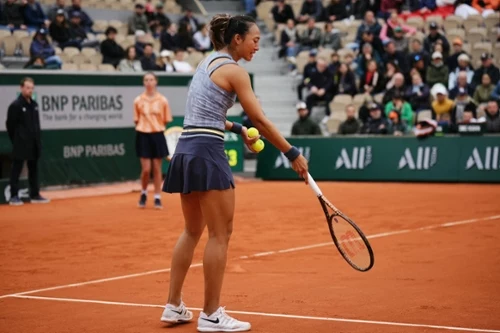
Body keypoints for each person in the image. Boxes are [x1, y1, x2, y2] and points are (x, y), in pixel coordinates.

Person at [160, 14, 308, 332]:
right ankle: (211, 314)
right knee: (220, 234)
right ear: (237, 39)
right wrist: (291, 152)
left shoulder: (207, 63)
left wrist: (238, 128)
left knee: (191, 231)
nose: (258, 46)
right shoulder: (236, 72)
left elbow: (206, 111)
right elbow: (262, 119)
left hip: (186, 148)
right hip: (207, 151)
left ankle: (173, 306)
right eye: (255, 40)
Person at [5, 77, 50, 206]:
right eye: (27, 88)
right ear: (21, 88)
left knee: (34, 169)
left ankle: (35, 195)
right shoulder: (15, 106)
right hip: (20, 143)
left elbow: (37, 124)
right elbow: (10, 125)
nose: (30, 90)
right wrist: (18, 139)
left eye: (31, 88)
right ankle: (13, 196)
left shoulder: (34, 105)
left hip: (34, 143)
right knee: (16, 170)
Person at [134, 72, 172, 209]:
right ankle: (143, 192)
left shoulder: (163, 100)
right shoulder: (138, 100)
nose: (149, 82)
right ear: (144, 83)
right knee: (146, 170)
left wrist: (155, 127)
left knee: (157, 169)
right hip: (143, 135)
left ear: (156, 82)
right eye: (146, 80)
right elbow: (136, 119)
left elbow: (166, 119)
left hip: (157, 135)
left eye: (151, 80)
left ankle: (157, 197)